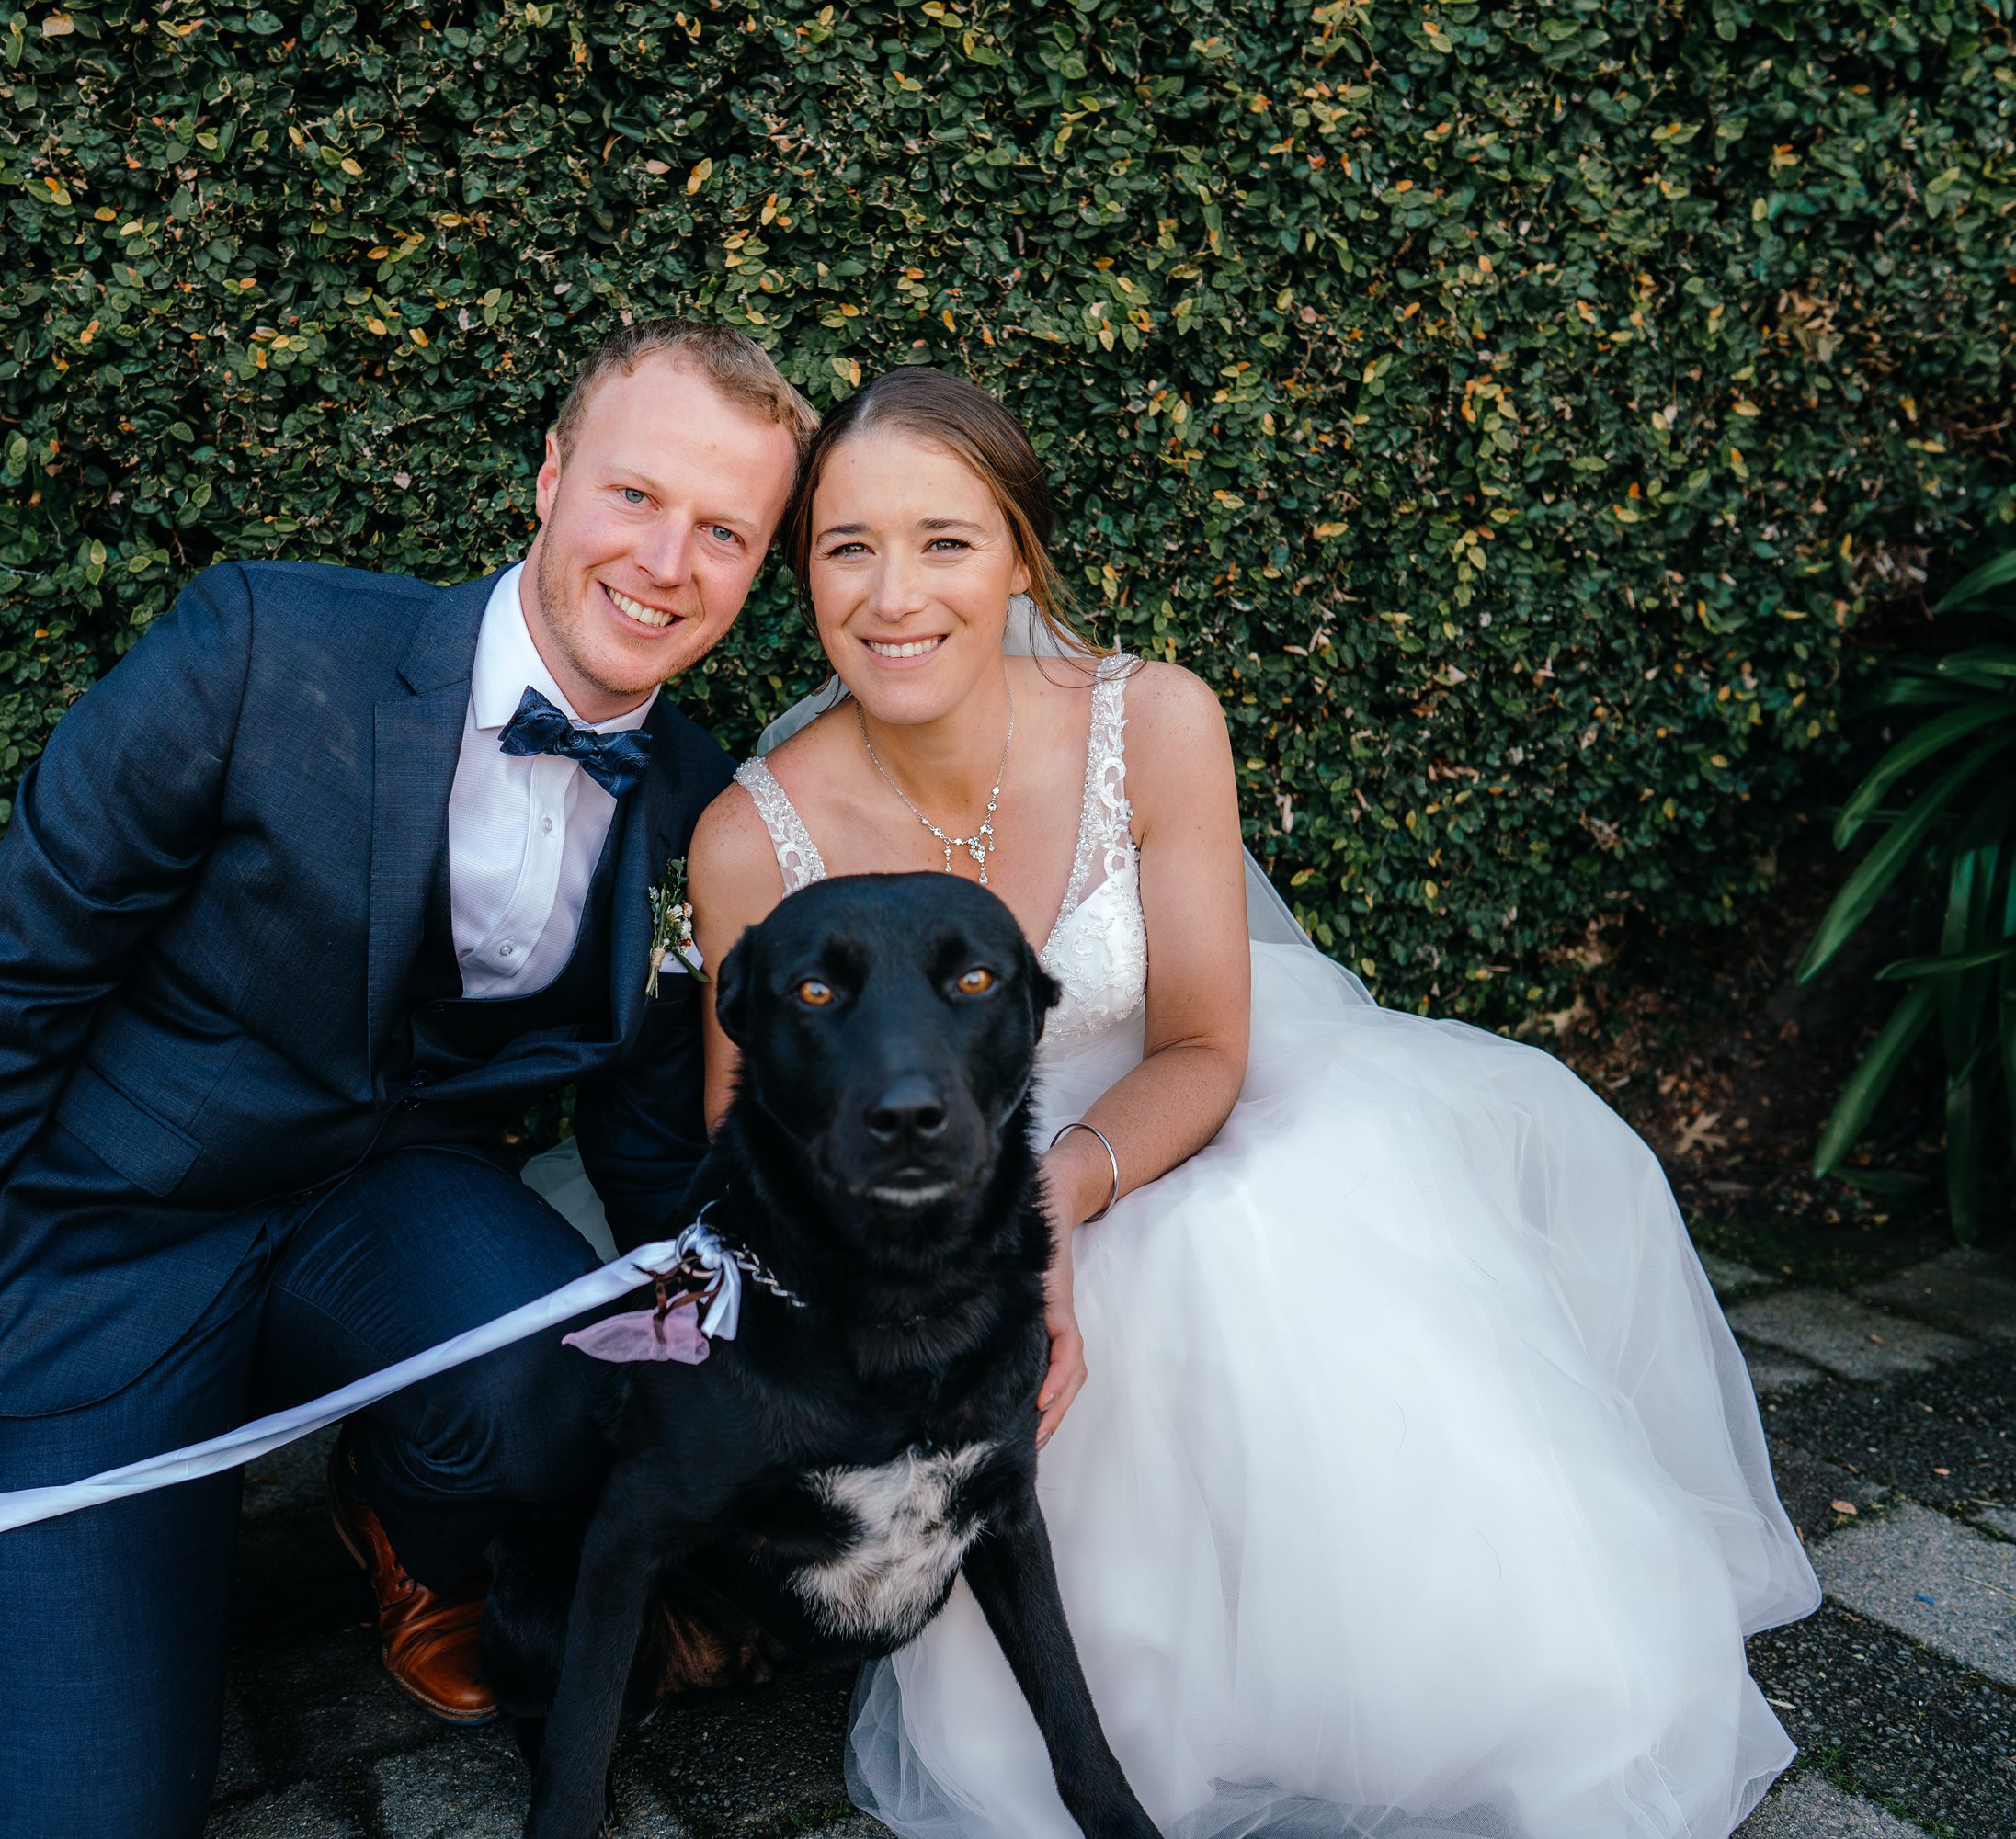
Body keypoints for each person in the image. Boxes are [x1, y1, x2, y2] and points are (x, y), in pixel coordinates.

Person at [684, 368, 1821, 1839]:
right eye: (848, 546)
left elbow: (1208, 1043)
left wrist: (1056, 1195)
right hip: (915, 1200)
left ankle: (1433, 1664)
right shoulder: (749, 832)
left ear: (1021, 552)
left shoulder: (1150, 721)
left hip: (1166, 1120)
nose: (895, 593)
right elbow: (752, 1152)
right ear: (805, 571)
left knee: (1262, 1237)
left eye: (946, 539)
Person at [0, 321, 814, 1838]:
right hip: (118, 1241)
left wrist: (774, 1369)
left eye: (725, 530)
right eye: (634, 496)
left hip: (386, 1219)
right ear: (548, 480)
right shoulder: (264, 647)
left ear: (754, 569)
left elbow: (653, 1144)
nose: (668, 559)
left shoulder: (694, 799)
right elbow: (3, 996)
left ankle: (410, 1510)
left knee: (579, 1391)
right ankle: (131, 1538)